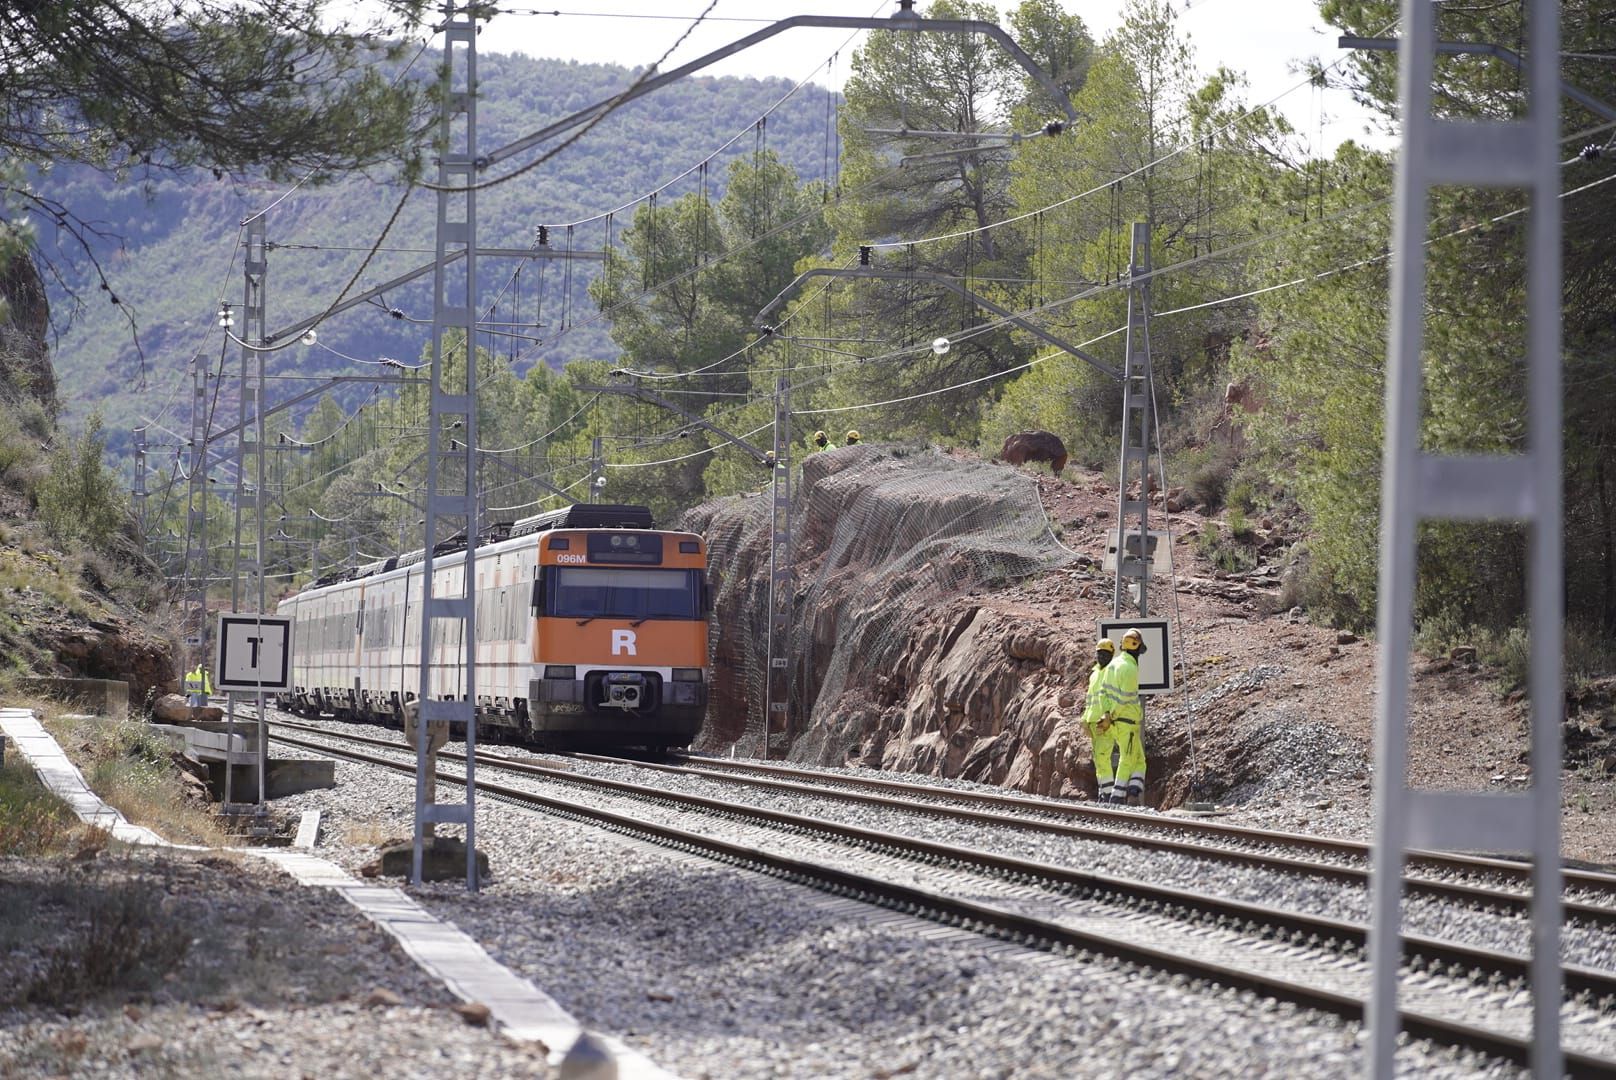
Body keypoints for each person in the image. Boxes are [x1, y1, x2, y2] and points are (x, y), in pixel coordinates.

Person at [1102, 628, 1147, 805]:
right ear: (1135, 647)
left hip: (1119, 722)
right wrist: (1112, 715)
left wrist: (1107, 714)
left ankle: (1134, 790)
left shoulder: (1112, 665)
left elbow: (1103, 694)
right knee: (1127, 759)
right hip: (1125, 721)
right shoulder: (1129, 668)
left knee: (1140, 760)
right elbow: (1124, 697)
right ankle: (1117, 797)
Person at [1081, 637, 1118, 801]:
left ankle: (1108, 794)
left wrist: (1109, 717)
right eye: (1099, 653)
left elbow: (1113, 697)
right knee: (1098, 759)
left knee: (1103, 757)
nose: (1102, 657)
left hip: (1105, 723)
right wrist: (1084, 719)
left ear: (1111, 655)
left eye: (1105, 654)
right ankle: (1103, 791)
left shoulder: (1112, 672)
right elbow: (1090, 698)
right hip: (1093, 722)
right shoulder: (1095, 674)